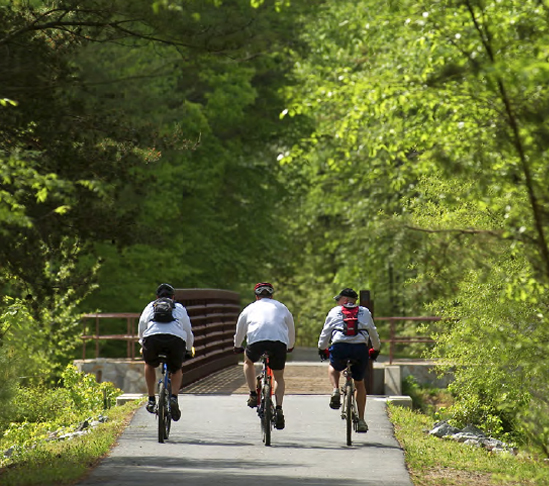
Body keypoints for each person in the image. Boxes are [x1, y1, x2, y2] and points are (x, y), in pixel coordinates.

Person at [233, 282, 295, 430]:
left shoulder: (249, 308)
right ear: (272, 295)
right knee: (278, 377)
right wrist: (290, 345)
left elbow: (240, 330)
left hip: (256, 343)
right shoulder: (281, 307)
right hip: (278, 344)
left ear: (256, 296)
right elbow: (291, 328)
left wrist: (237, 345)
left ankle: (253, 393)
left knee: (248, 362)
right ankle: (279, 408)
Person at [317, 287, 381, 433]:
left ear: (345, 300)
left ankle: (335, 390)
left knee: (333, 366)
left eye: (339, 299)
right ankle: (362, 420)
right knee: (359, 384)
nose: (338, 302)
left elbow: (326, 332)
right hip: (359, 349)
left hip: (340, 347)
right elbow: (373, 332)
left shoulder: (335, 311)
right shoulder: (365, 312)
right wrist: (376, 349)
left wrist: (322, 348)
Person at [138, 283, 194, 421]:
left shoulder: (150, 306)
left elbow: (141, 326)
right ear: (173, 297)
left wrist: (142, 343)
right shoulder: (179, 308)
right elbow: (187, 330)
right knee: (176, 368)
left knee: (149, 364)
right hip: (175, 340)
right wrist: (188, 348)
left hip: (152, 339)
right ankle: (174, 397)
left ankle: (151, 399)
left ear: (157, 297)